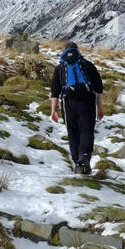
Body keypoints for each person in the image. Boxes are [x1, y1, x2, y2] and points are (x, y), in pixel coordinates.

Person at [49, 42, 103, 175]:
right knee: (86, 130)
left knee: (73, 133)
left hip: (68, 104)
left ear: (64, 51)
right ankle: (84, 159)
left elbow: (55, 92)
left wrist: (53, 110)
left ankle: (77, 163)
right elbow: (99, 88)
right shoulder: (87, 65)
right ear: (77, 51)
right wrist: (100, 108)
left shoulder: (60, 68)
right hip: (87, 101)